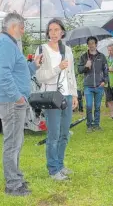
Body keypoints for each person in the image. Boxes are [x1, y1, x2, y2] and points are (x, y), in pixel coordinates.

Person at [0, 12, 42, 196]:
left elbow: (17, 72)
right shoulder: (5, 44)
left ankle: (16, 177)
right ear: (13, 27)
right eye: (22, 27)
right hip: (11, 101)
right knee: (12, 143)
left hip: (12, 100)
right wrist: (18, 97)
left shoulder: (9, 43)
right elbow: (3, 76)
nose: (23, 31)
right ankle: (13, 185)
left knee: (16, 141)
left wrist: (34, 66)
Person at [35, 18, 79, 180]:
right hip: (52, 97)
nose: (53, 33)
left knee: (64, 133)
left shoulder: (67, 50)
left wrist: (74, 94)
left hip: (66, 96)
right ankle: (53, 169)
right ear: (47, 32)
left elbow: (71, 74)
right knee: (53, 135)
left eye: (56, 30)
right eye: (50, 30)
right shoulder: (42, 49)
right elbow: (40, 76)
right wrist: (57, 68)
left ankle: (60, 165)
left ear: (62, 32)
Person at [78, 36, 108, 132]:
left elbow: (106, 70)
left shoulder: (102, 56)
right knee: (89, 106)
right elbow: (79, 70)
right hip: (88, 86)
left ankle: (96, 124)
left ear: (96, 44)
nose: (91, 45)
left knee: (98, 107)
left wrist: (105, 81)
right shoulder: (83, 57)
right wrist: (86, 66)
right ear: (87, 45)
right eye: (89, 43)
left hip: (99, 85)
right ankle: (89, 125)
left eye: (93, 43)